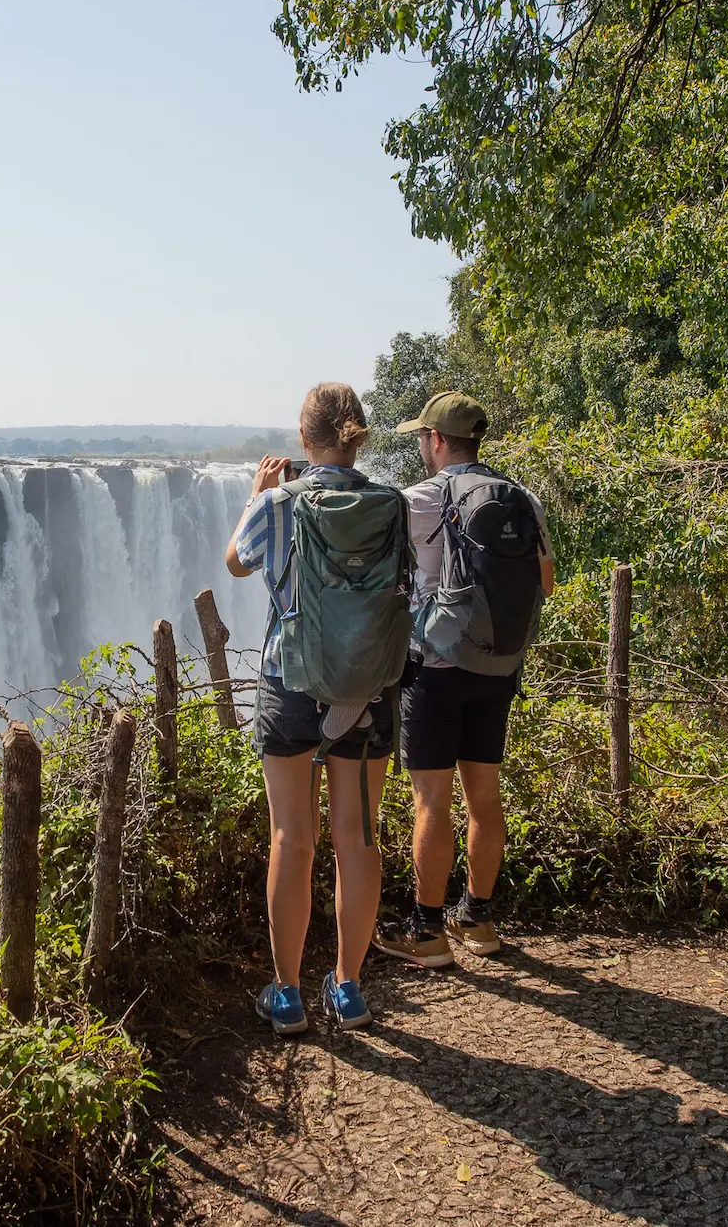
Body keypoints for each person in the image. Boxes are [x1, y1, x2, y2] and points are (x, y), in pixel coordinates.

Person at [225, 382, 408, 1034]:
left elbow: (236, 563)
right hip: (367, 686)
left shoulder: (277, 502)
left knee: (290, 839)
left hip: (290, 680)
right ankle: (350, 989)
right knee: (357, 839)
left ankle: (288, 994)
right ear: (357, 436)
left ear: (305, 441)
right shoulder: (392, 503)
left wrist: (256, 496)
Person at [375, 391, 555, 965]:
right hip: (498, 666)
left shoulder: (417, 500)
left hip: (435, 670)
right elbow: (544, 584)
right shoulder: (520, 497)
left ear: (434, 441)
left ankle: (426, 933)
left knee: (431, 799)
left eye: (422, 439)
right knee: (484, 793)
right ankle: (477, 919)